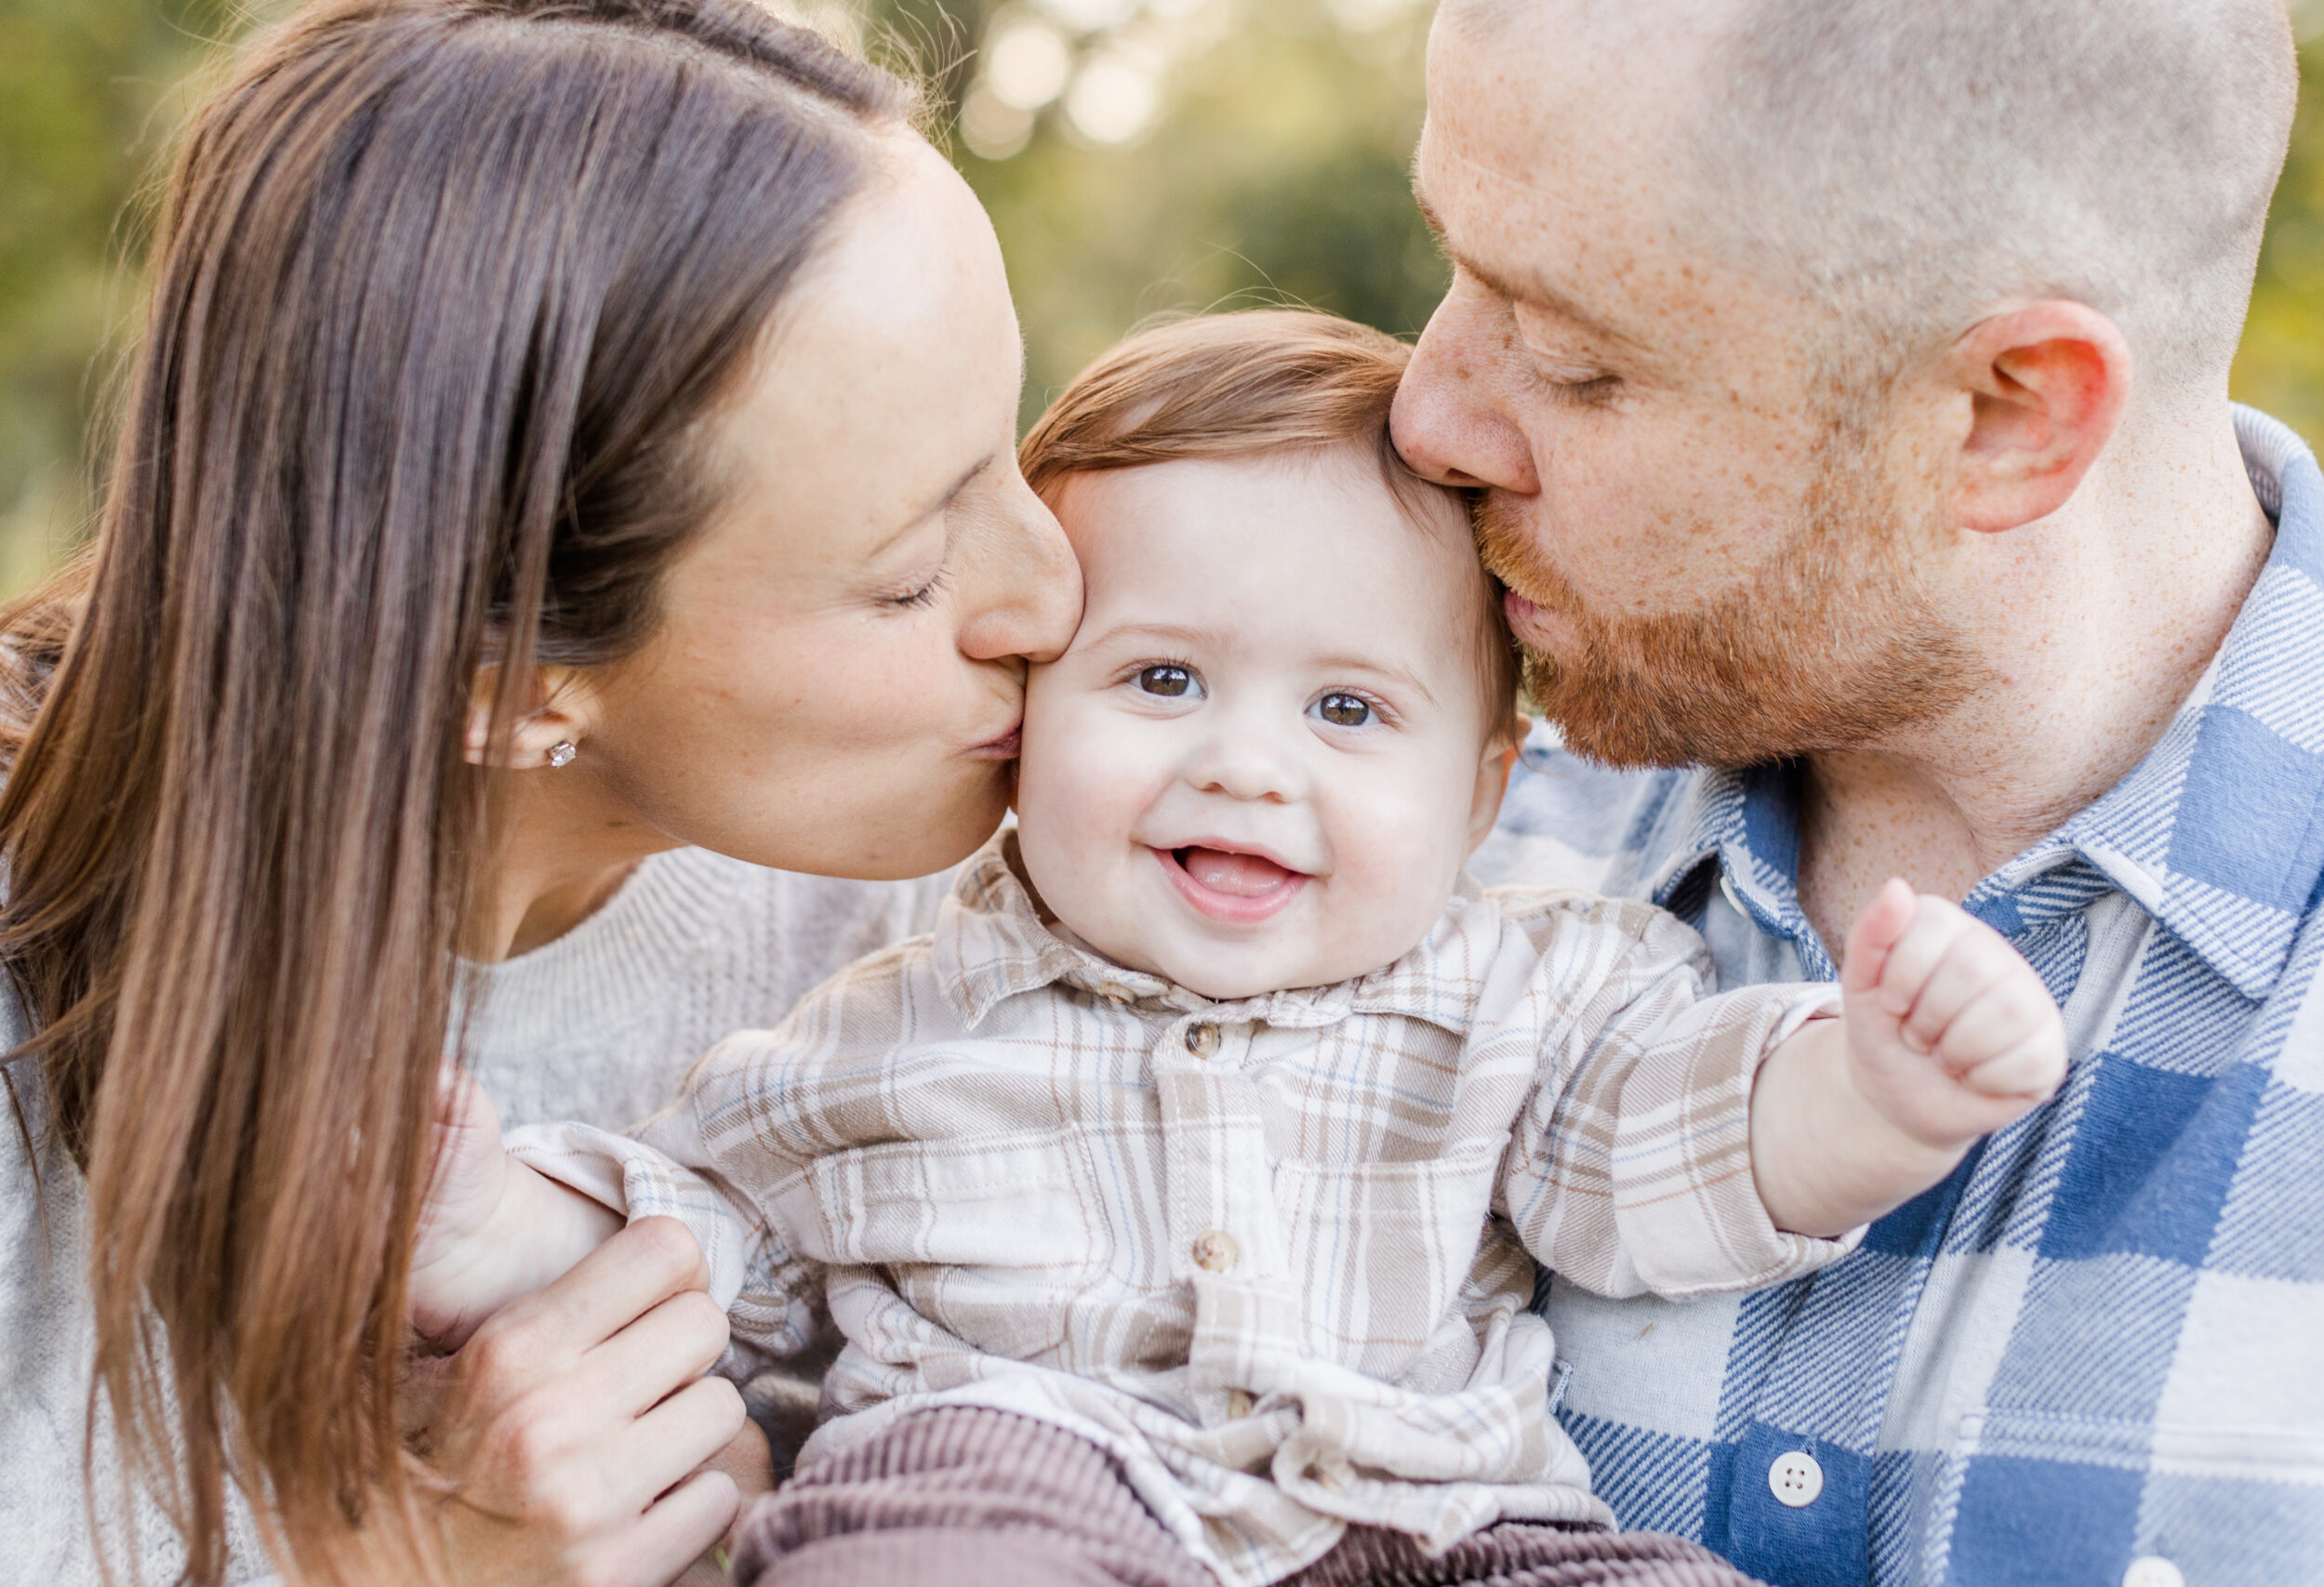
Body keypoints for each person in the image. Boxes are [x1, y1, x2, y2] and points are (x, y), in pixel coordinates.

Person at [406, 312, 2069, 1587]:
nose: (1248, 765)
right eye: (1161, 682)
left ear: (1487, 788)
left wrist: (1876, 1089)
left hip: (1441, 1503)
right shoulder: (892, 1019)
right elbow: (699, 1238)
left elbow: (1659, 1154)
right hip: (1017, 1471)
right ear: (1023, 722)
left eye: (1348, 709)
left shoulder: (1538, 983)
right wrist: (480, 1217)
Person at [0, 3, 1077, 1583]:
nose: (1055, 592)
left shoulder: (975, 909)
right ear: (505, 684)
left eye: (1011, 448)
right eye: (914, 574)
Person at [1391, 2, 2324, 1584]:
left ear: (2007, 416)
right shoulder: (1367, 855)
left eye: (1577, 363)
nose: (1424, 416)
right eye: (1453, 264)